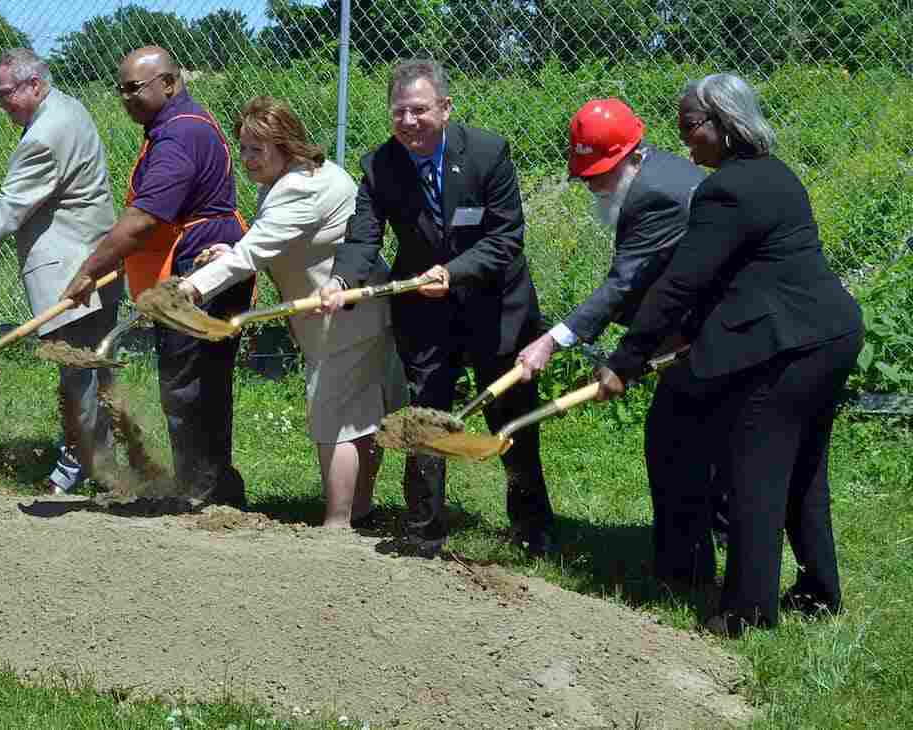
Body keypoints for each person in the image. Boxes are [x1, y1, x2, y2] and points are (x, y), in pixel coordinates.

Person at [595, 73, 864, 637]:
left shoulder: (726, 191)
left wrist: (625, 359)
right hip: (832, 335)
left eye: (690, 126)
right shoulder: (776, 176)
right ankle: (818, 593)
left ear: (724, 124)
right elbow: (744, 276)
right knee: (804, 472)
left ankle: (747, 611)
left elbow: (681, 283)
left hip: (787, 350)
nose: (684, 140)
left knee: (755, 476)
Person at [318, 59, 553, 556]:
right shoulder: (380, 165)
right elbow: (364, 235)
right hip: (425, 311)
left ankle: (532, 529)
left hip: (496, 303)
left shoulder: (489, 153)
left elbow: (506, 237)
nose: (408, 122)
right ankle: (424, 528)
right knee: (425, 411)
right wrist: (341, 279)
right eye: (399, 112)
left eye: (419, 110)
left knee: (510, 413)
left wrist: (456, 272)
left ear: (445, 108)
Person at [178, 96, 408, 528]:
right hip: (359, 313)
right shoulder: (299, 177)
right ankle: (360, 512)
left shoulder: (300, 189)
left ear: (286, 145)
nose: (246, 159)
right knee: (361, 416)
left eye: (256, 149)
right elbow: (270, 243)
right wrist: (232, 250)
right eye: (243, 147)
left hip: (343, 319)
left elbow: (256, 252)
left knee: (335, 421)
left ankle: (338, 525)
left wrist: (190, 288)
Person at [516, 98, 712, 586]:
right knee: (695, 445)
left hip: (715, 332)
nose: (590, 182)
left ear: (630, 156)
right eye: (584, 172)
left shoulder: (656, 197)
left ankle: (684, 574)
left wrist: (551, 342)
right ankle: (702, 556)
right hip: (693, 329)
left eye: (598, 172)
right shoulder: (655, 172)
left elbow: (623, 284)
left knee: (675, 445)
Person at [0, 48, 123, 495]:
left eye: (5, 92)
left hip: (72, 270)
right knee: (93, 368)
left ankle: (81, 464)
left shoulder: (44, 135)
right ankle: (102, 463)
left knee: (77, 370)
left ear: (34, 84)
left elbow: (9, 210)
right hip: (96, 257)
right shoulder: (69, 107)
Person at [60, 45, 251, 508]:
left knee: (188, 383)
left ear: (169, 83)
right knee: (202, 381)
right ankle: (216, 486)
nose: (125, 97)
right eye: (120, 89)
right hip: (202, 264)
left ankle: (198, 493)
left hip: (199, 269)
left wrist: (89, 271)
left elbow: (143, 219)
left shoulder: (179, 136)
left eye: (135, 88)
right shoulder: (174, 126)